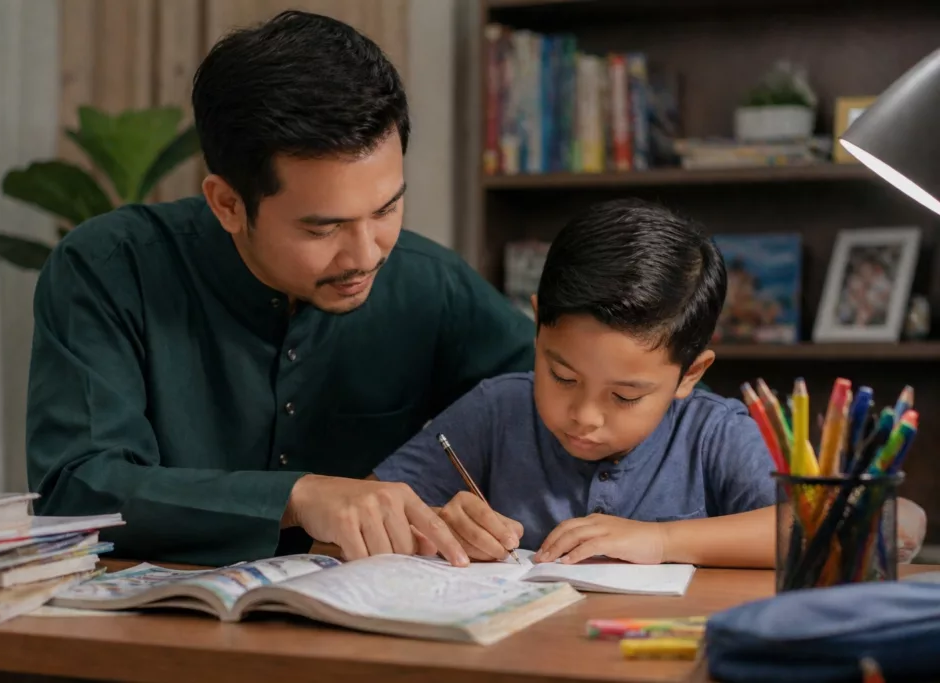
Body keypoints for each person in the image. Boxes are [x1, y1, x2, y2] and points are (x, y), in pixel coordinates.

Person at [24, 11, 534, 567]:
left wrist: (469, 501)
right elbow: (78, 490)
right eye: (323, 227)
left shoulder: (429, 283)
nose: (366, 255)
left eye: (387, 208)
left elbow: (576, 398)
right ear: (227, 204)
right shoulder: (109, 269)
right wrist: (294, 497)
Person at [374, 199, 927, 568]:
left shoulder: (711, 434)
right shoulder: (495, 412)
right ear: (537, 325)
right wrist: (437, 525)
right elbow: (367, 512)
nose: (585, 415)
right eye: (561, 375)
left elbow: (863, 524)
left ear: (691, 373)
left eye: (625, 395)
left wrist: (663, 541)